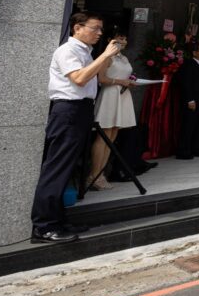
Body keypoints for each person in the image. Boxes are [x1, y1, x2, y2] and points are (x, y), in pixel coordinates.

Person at [31, 13, 123, 243]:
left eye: (101, 29)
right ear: (77, 28)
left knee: (68, 167)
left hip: (81, 110)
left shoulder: (85, 52)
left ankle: (59, 219)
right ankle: (43, 226)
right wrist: (105, 56)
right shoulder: (67, 51)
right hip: (68, 111)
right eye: (95, 28)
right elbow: (80, 79)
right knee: (57, 167)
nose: (99, 33)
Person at [87, 30, 142, 190]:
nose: (123, 41)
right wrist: (120, 81)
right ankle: (93, 174)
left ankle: (101, 174)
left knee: (112, 136)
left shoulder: (123, 57)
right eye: (120, 38)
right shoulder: (107, 56)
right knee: (103, 136)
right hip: (110, 96)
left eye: (125, 38)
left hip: (123, 95)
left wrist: (130, 82)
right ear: (111, 40)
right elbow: (101, 79)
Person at [176, 42, 199, 159]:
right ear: (194, 52)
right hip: (193, 101)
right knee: (188, 126)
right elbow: (186, 84)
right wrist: (190, 100)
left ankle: (196, 148)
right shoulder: (188, 65)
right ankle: (183, 151)